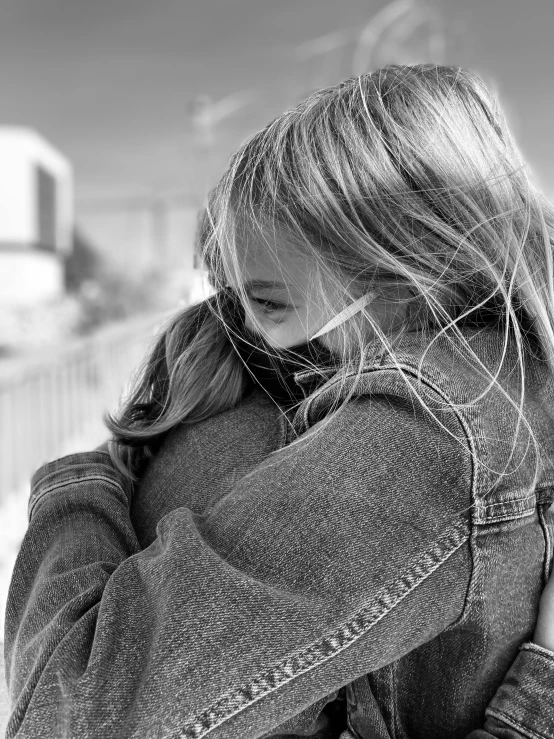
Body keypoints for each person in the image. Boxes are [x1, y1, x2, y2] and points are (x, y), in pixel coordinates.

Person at [4, 64, 554, 738]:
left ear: (403, 251)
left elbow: (69, 717)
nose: (234, 286)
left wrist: (78, 480)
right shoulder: (498, 380)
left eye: (262, 294)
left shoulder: (430, 424)